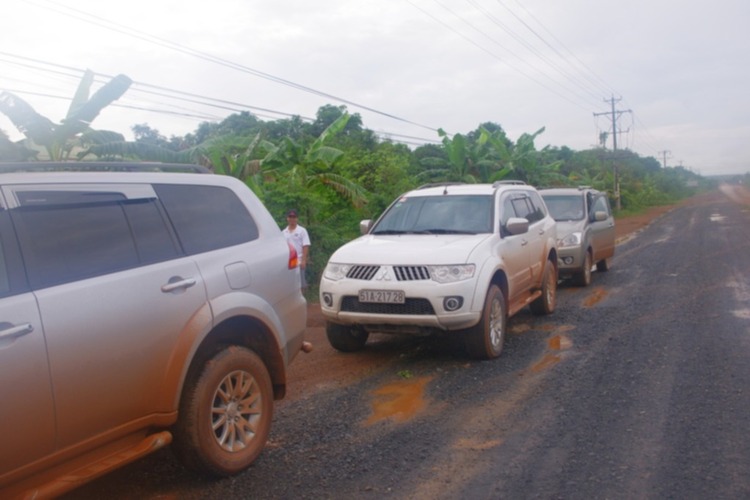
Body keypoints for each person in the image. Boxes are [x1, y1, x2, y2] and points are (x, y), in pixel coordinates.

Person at [282, 209, 311, 291]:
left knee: (301, 284)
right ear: (287, 218)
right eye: (290, 217)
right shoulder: (283, 232)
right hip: (288, 262)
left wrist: (304, 260)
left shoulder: (302, 231)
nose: (292, 219)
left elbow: (305, 245)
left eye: (294, 217)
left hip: (299, 260)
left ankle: (302, 300)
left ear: (297, 218)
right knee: (291, 284)